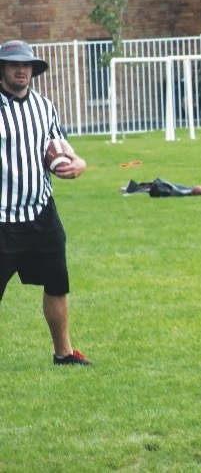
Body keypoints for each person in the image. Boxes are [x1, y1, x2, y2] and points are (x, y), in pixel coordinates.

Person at [0, 40, 91, 366]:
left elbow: (59, 145)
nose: (21, 70)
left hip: (41, 212)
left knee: (56, 283)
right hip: (2, 217)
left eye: (27, 65)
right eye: (13, 64)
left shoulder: (44, 106)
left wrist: (78, 162)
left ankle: (63, 353)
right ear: (2, 69)